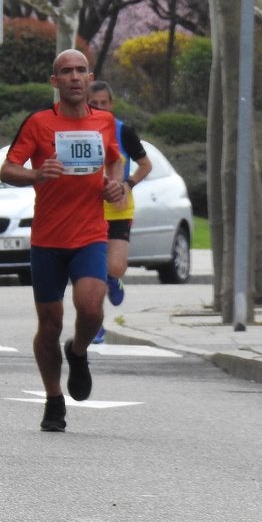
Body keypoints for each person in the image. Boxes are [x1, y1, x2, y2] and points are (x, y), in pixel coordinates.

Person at [0, 49, 127, 432]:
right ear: (55, 82)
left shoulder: (105, 121)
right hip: (48, 239)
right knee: (50, 323)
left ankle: (79, 350)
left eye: (81, 71)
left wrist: (115, 183)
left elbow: (115, 159)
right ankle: (54, 400)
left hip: (89, 234)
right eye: (66, 72)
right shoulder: (39, 123)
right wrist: (37, 175)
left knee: (90, 307)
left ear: (90, 78)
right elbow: (8, 169)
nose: (74, 77)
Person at [86, 80, 153, 343]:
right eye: (94, 104)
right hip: (87, 210)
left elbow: (145, 165)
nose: (100, 107)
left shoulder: (123, 131)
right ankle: (96, 326)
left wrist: (128, 184)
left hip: (118, 209)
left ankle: (116, 280)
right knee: (93, 272)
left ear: (111, 104)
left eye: (104, 103)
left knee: (113, 267)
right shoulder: (79, 131)